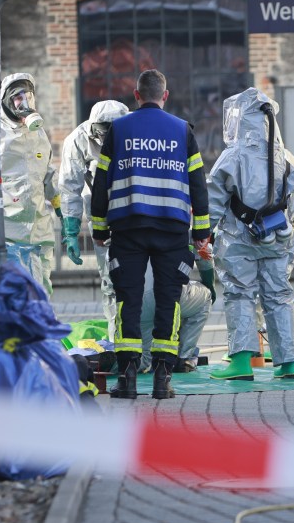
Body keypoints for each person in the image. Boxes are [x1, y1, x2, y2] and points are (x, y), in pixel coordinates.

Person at [90, 69, 211, 400]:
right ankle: (162, 379)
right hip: (171, 230)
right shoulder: (182, 131)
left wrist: (99, 227)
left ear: (136, 95)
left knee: (127, 299)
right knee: (168, 300)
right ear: (165, 96)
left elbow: (102, 181)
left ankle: (127, 379)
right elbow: (198, 183)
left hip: (127, 226)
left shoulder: (118, 130)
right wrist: (202, 231)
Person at [207, 88, 294, 381]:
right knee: (279, 295)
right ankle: (287, 363)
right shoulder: (286, 158)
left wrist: (200, 232)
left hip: (238, 238)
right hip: (277, 238)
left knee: (240, 294)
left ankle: (240, 362)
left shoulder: (232, 157)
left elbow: (213, 200)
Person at [58, 99, 130, 340]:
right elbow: (70, 187)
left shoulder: (135, 132)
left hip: (136, 213)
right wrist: (71, 229)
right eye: (101, 133)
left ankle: (144, 341)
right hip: (103, 219)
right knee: (111, 279)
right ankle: (117, 340)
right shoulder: (77, 141)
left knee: (143, 280)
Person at [0, 72, 61, 295]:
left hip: (38, 227)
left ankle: (40, 328)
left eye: (27, 95)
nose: (23, 102)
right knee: (17, 292)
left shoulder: (38, 134)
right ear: (6, 100)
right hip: (9, 228)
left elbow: (47, 172)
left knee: (41, 287)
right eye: (17, 97)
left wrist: (60, 206)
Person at [139, 261, 214, 374]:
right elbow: (204, 255)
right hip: (168, 293)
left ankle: (110, 365)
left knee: (143, 357)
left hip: (135, 298)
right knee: (206, 295)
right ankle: (183, 358)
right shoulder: (175, 242)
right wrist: (210, 286)